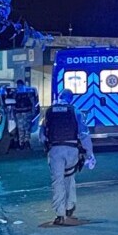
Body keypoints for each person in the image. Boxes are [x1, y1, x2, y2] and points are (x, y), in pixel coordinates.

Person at [39, 88, 95, 226]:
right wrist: (90, 154)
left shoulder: (49, 111)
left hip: (55, 150)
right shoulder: (75, 111)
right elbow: (83, 134)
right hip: (72, 150)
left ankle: (60, 214)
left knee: (57, 181)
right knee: (69, 177)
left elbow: (42, 135)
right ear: (71, 98)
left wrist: (47, 145)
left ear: (59, 96)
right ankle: (70, 205)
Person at [14, 79, 34, 150]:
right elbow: (13, 103)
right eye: (18, 85)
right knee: (20, 129)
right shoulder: (16, 93)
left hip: (27, 113)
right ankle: (21, 143)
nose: (19, 87)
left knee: (27, 128)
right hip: (19, 113)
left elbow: (32, 102)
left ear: (23, 85)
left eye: (20, 85)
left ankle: (26, 142)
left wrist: (33, 111)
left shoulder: (28, 93)